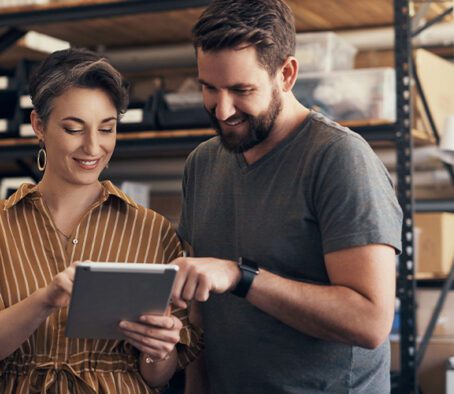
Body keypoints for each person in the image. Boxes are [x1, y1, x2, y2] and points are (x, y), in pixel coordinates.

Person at [0, 48, 200, 394]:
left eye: (107, 129)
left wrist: (160, 348)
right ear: (39, 125)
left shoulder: (153, 231)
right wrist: (45, 300)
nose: (93, 147)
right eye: (73, 129)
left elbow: (156, 377)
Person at [170, 0, 403, 392]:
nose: (223, 110)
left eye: (242, 90)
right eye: (209, 88)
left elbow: (370, 322)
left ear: (287, 74)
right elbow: (200, 312)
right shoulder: (203, 163)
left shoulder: (339, 158)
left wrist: (240, 276)